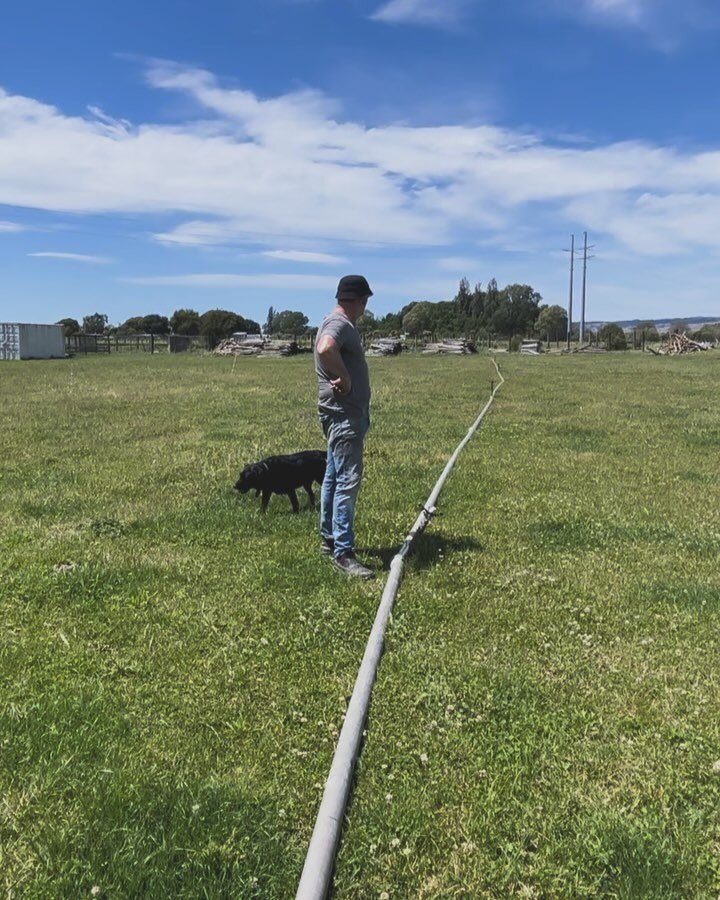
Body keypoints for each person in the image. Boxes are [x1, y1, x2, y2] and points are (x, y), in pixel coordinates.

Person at [314, 275, 375, 579]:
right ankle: (343, 552)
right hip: (343, 416)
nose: (365, 307)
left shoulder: (331, 321)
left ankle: (329, 539)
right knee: (347, 480)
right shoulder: (340, 325)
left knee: (333, 475)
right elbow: (327, 349)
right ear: (359, 300)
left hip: (338, 415)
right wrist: (348, 381)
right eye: (366, 301)